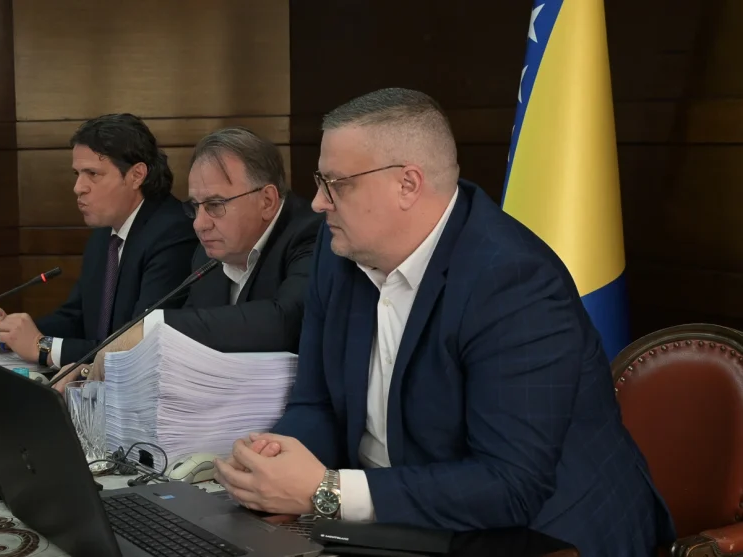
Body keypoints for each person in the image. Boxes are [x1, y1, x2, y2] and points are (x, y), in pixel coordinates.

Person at [212, 88, 676, 556]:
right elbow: (317, 404)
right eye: (320, 180)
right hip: (394, 519)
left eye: (337, 183)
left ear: (407, 185)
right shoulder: (338, 255)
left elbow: (510, 485)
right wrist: (273, 466)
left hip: (541, 535)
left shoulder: (513, 281)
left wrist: (326, 491)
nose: (317, 202)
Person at [53, 127, 323, 388]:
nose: (199, 224)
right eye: (195, 206)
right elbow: (187, 344)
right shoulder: (208, 255)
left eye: (215, 205)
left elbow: (286, 320)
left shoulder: (311, 236)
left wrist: (152, 326)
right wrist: (93, 369)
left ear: (267, 201)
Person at [0, 114, 197, 367]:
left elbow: (139, 346)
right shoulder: (105, 233)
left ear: (136, 175)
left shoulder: (173, 234)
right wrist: (11, 332)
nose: (78, 187)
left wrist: (42, 346)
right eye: (77, 173)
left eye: (92, 173)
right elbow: (77, 317)